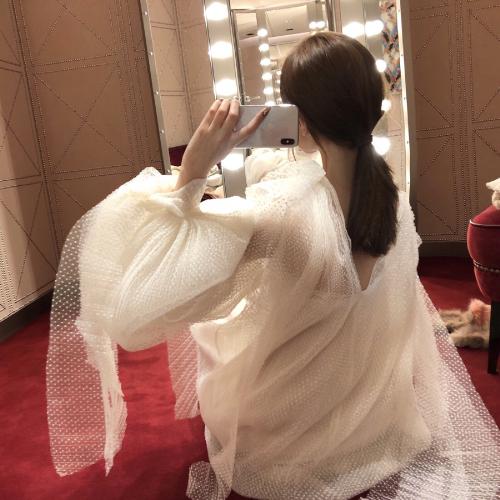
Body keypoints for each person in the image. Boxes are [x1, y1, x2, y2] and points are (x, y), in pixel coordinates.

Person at [46, 33, 500, 500]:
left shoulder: (282, 211)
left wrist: (194, 170)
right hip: (373, 412)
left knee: (215, 327)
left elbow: (140, 304)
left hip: (292, 433)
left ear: (299, 117)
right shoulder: (393, 200)